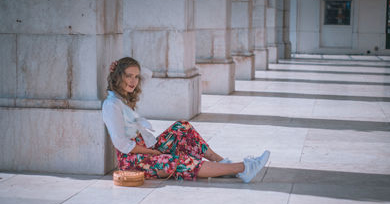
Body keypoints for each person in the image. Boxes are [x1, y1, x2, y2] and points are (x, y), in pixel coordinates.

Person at [102, 57, 270, 183]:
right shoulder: (112, 105)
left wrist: (121, 67)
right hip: (134, 161)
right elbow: (122, 144)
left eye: (136, 77)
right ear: (118, 77)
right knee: (179, 162)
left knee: (182, 127)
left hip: (146, 148)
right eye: (128, 76)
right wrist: (153, 153)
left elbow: (148, 74)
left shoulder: (123, 98)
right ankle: (244, 167)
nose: (134, 81)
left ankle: (222, 163)